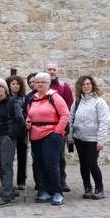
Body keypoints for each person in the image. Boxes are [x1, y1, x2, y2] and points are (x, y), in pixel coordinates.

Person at [26, 72, 70, 206]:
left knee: (51, 164)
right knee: (39, 164)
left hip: (51, 134)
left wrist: (57, 132)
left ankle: (57, 192)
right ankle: (44, 190)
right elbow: (29, 114)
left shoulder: (55, 97)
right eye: (37, 82)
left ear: (48, 84)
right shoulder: (32, 98)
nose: (39, 84)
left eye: (43, 82)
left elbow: (65, 115)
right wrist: (28, 121)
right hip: (35, 135)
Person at [69, 75, 110, 200]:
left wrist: (101, 140)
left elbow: (104, 121)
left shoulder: (99, 102)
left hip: (93, 139)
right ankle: (87, 188)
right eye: (83, 84)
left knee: (92, 163)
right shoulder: (76, 102)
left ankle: (99, 188)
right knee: (83, 164)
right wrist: (70, 136)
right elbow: (71, 119)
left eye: (88, 84)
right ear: (80, 87)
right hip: (79, 138)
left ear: (92, 85)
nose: (86, 86)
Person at [0, 79, 24, 208]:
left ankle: (5, 196)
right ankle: (9, 190)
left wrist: (10, 135)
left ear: (5, 89)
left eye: (0, 86)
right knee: (0, 165)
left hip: (7, 137)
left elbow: (20, 120)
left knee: (6, 165)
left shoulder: (13, 102)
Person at [46, 62, 74, 192]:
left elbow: (69, 107)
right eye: (49, 69)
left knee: (59, 156)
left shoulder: (64, 87)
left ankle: (61, 181)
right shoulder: (41, 86)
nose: (51, 71)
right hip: (43, 128)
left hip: (60, 127)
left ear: (57, 71)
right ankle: (45, 182)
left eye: (53, 69)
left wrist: (63, 126)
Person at [7, 75, 28, 190]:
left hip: (22, 131)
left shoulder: (24, 98)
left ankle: (21, 180)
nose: (15, 86)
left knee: (22, 157)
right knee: (8, 158)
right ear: (9, 85)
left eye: (17, 84)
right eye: (13, 84)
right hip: (9, 131)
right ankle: (8, 180)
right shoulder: (5, 98)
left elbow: (28, 112)